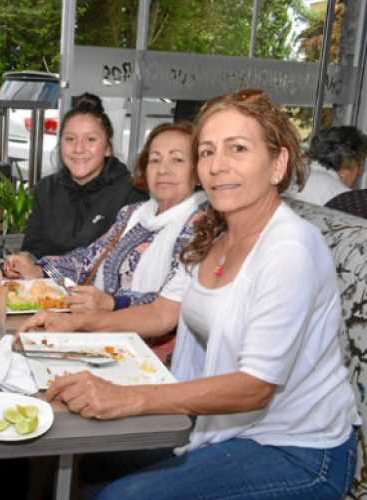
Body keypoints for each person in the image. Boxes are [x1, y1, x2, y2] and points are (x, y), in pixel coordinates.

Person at [28, 90, 360, 499]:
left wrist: (126, 398)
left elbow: (254, 386)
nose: (218, 166)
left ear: (278, 164)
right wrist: (75, 322)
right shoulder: (213, 232)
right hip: (222, 428)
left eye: (237, 148)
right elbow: (161, 314)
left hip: (298, 450)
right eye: (207, 152)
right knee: (69, 449)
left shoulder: (290, 249)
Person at [6, 122, 205, 314]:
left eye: (177, 160)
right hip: (101, 331)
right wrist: (39, 270)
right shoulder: (133, 214)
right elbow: (86, 261)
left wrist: (113, 303)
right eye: (155, 159)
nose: (163, 170)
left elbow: (175, 303)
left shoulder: (202, 226)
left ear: (198, 173)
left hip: (145, 344)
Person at [20, 93, 147, 258]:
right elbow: (32, 250)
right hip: (45, 283)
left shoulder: (131, 194)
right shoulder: (47, 189)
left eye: (91, 139)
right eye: (70, 139)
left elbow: (127, 261)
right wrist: (23, 261)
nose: (78, 149)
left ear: (107, 148)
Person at [286, 125, 367, 205]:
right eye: (359, 164)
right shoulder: (343, 198)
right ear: (346, 166)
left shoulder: (289, 178)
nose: (360, 173)